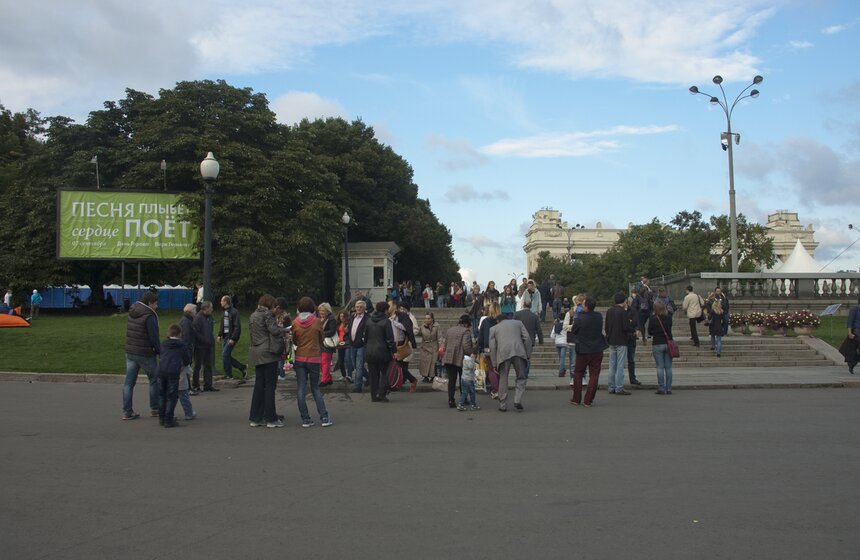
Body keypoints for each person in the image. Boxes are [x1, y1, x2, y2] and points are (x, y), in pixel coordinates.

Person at [248, 294, 290, 428]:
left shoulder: (253, 315)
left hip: (256, 351)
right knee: (270, 386)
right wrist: (285, 330)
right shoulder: (267, 315)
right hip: (268, 352)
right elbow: (274, 331)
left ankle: (256, 417)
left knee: (259, 385)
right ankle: (270, 418)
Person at [291, 297, 332, 427]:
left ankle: (306, 419)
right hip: (314, 357)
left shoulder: (295, 322)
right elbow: (322, 338)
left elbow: (295, 340)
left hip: (300, 357)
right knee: (315, 388)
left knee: (301, 388)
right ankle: (324, 417)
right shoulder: (317, 322)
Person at [122, 291, 161, 420]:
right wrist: (160, 351)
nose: (157, 306)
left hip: (131, 350)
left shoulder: (133, 311)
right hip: (145, 352)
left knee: (129, 382)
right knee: (154, 380)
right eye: (156, 304)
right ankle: (155, 408)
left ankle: (127, 411)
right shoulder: (149, 315)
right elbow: (153, 336)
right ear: (150, 303)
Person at [489, 313, 531, 412]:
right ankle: (517, 399)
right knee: (521, 377)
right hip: (518, 351)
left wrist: (494, 363)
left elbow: (492, 347)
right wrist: (527, 354)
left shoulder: (494, 328)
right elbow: (527, 339)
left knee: (503, 378)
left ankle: (503, 405)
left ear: (498, 321)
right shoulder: (518, 323)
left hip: (503, 353)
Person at [570, 297, 607, 407]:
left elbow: (574, 330)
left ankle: (576, 399)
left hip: (583, 349)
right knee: (594, 375)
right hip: (596, 348)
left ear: (586, 306)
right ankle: (588, 400)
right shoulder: (598, 316)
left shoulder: (580, 318)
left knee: (578, 373)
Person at [157, 324, 192, 428]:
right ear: (180, 334)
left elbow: (161, 354)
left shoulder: (163, 343)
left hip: (162, 370)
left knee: (162, 395)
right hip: (173, 372)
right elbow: (187, 359)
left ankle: (162, 417)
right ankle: (169, 419)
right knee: (172, 397)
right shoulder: (182, 345)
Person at [365, 301, 396, 402]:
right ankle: (382, 393)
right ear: (386, 310)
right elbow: (390, 339)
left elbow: (365, 337)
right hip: (382, 351)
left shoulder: (369, 321)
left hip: (370, 351)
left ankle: (374, 395)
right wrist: (394, 351)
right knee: (385, 373)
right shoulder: (386, 321)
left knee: (373, 375)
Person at [442, 314, 475, 408]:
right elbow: (465, 345)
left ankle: (451, 400)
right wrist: (471, 352)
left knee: (452, 380)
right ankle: (463, 398)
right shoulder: (466, 331)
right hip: (460, 358)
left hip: (449, 357)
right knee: (463, 379)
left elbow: (446, 343)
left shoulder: (450, 330)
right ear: (468, 323)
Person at [605, 291, 633, 396]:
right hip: (621, 340)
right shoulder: (622, 312)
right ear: (624, 301)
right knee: (620, 365)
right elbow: (625, 327)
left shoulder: (609, 311)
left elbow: (606, 327)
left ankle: (611, 386)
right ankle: (619, 387)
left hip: (611, 340)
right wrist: (632, 329)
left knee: (612, 365)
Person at [388, 300, 418, 392]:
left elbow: (407, 327)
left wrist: (394, 323)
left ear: (394, 306)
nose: (387, 307)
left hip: (399, 344)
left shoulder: (402, 316)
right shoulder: (388, 316)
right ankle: (410, 380)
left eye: (389, 305)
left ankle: (410, 380)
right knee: (397, 365)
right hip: (390, 343)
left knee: (396, 365)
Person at [649, 300, 675, 395]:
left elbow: (650, 331)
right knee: (668, 367)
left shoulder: (653, 318)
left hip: (657, 343)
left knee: (660, 367)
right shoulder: (669, 318)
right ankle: (668, 388)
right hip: (668, 343)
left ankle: (661, 388)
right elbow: (669, 328)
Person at [219, 295, 247, 380]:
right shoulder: (224, 312)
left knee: (224, 354)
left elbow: (237, 326)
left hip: (231, 336)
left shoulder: (234, 312)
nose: (220, 302)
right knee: (226, 355)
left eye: (222, 301)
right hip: (225, 336)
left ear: (226, 302)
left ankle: (228, 374)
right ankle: (242, 367)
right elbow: (222, 325)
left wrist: (233, 338)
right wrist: (220, 334)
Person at [513, 299, 543, 378]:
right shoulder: (534, 316)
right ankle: (525, 373)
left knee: (519, 357)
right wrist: (541, 340)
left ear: (523, 305)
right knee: (527, 357)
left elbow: (512, 327)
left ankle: (519, 372)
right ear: (531, 306)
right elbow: (538, 329)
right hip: (530, 339)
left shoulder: (517, 314)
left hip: (518, 338)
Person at [178, 305, 199, 417]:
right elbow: (186, 338)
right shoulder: (186, 322)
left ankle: (189, 387)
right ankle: (188, 388)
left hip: (188, 348)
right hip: (187, 349)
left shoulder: (186, 320)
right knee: (187, 369)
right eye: (195, 310)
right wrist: (187, 350)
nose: (196, 312)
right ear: (190, 311)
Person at [192, 301, 218, 392]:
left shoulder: (209, 318)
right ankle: (195, 385)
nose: (212, 309)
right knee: (198, 366)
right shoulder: (198, 318)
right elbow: (196, 333)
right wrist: (204, 339)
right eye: (210, 308)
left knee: (208, 365)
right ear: (205, 308)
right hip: (200, 346)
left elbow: (209, 330)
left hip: (208, 345)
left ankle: (208, 384)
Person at [346, 300, 370, 393]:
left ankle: (357, 386)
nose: (358, 309)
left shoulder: (367, 318)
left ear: (364, 308)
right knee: (356, 365)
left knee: (359, 366)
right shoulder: (352, 317)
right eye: (357, 307)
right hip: (352, 344)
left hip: (362, 345)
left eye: (360, 307)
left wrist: (364, 341)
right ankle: (369, 377)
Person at [318, 302, 338, 387]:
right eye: (320, 311)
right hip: (320, 343)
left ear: (327, 311)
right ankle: (328, 378)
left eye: (323, 311)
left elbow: (332, 331)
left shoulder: (331, 319)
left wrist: (322, 333)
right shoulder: (320, 319)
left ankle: (324, 380)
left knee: (325, 362)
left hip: (327, 344)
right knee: (321, 363)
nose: (321, 312)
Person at [625, 294, 641, 386]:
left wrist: (631, 322)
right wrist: (629, 321)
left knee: (631, 359)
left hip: (631, 337)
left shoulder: (633, 310)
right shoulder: (621, 311)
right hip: (623, 337)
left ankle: (633, 378)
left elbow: (635, 322)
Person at [418, 312, 439, 383]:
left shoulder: (436, 326)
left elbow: (440, 336)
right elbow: (419, 333)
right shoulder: (422, 326)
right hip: (424, 346)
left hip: (433, 346)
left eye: (428, 318)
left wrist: (441, 346)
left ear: (432, 319)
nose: (427, 320)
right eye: (426, 318)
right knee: (424, 362)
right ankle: (425, 376)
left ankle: (433, 377)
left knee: (433, 362)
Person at [335, 310, 352, 382]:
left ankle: (349, 375)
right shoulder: (338, 324)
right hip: (340, 343)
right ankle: (343, 375)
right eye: (340, 316)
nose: (342, 318)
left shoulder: (349, 323)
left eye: (343, 316)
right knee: (341, 360)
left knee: (348, 359)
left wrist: (347, 332)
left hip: (347, 343)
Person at [846, 297, 860, 374]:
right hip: (857, 332)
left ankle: (852, 363)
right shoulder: (854, 309)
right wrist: (850, 332)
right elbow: (850, 321)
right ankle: (852, 363)